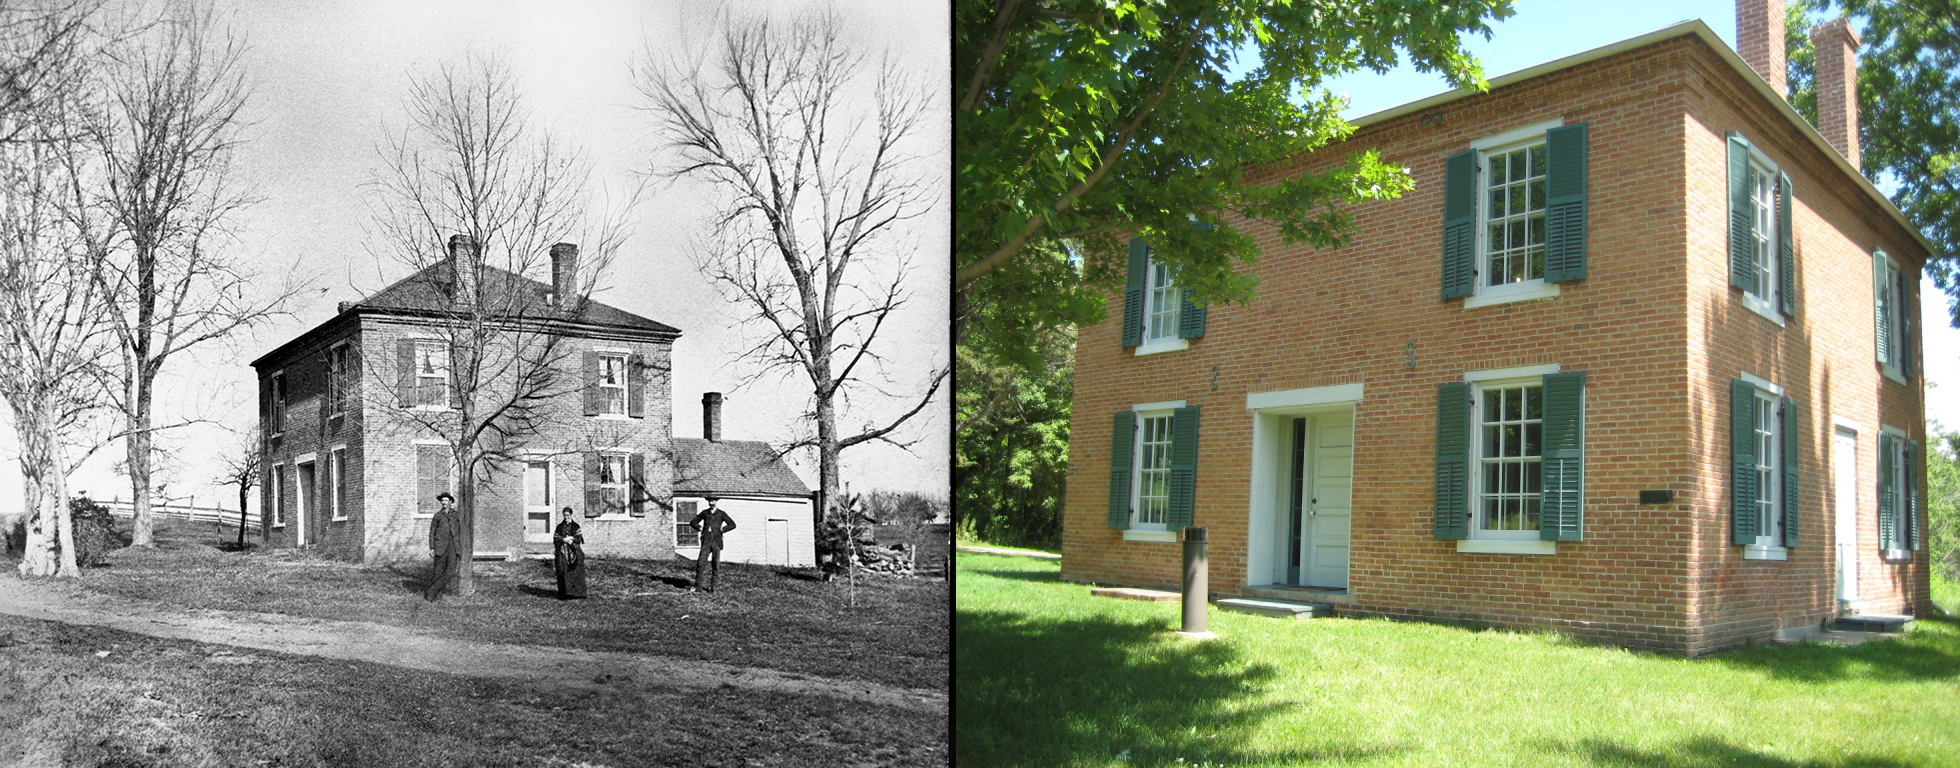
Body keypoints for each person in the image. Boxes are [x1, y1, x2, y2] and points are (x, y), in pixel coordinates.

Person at [689, 497, 737, 592]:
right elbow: (693, 522)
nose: (711, 503)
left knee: (716, 565)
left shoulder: (721, 513)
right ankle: (698, 587)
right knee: (700, 564)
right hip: (706, 541)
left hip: (716, 542)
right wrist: (700, 528)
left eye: (713, 501)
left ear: (716, 502)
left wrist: (722, 529)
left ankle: (714, 589)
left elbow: (732, 524)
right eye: (709, 501)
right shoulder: (705, 513)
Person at [425, 492, 462, 601]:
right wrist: (432, 548)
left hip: (453, 547)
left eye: (446, 500)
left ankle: (431, 590)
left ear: (450, 502)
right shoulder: (438, 516)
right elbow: (432, 532)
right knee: (438, 572)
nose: (444, 503)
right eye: (443, 501)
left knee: (451, 571)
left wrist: (459, 547)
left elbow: (460, 530)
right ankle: (436, 596)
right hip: (440, 546)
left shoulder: (456, 515)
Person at [553, 506, 588, 599]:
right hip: (563, 552)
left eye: (568, 515)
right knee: (563, 570)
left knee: (576, 571)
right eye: (564, 515)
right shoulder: (559, 527)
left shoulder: (576, 526)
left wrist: (572, 539)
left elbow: (579, 537)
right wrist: (564, 539)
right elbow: (556, 538)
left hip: (574, 552)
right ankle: (565, 593)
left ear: (571, 515)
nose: (566, 517)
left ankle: (577, 593)